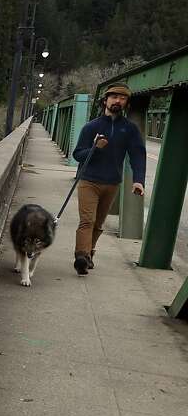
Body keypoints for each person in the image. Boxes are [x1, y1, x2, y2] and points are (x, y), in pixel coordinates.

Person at [68, 82, 146, 275]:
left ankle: (89, 253)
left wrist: (138, 180)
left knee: (98, 223)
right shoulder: (91, 127)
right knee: (87, 220)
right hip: (89, 181)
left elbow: (137, 154)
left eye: (122, 98)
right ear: (105, 101)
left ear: (126, 103)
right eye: (114, 97)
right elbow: (77, 154)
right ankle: (81, 257)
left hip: (112, 183)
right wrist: (95, 148)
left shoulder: (129, 129)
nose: (117, 101)